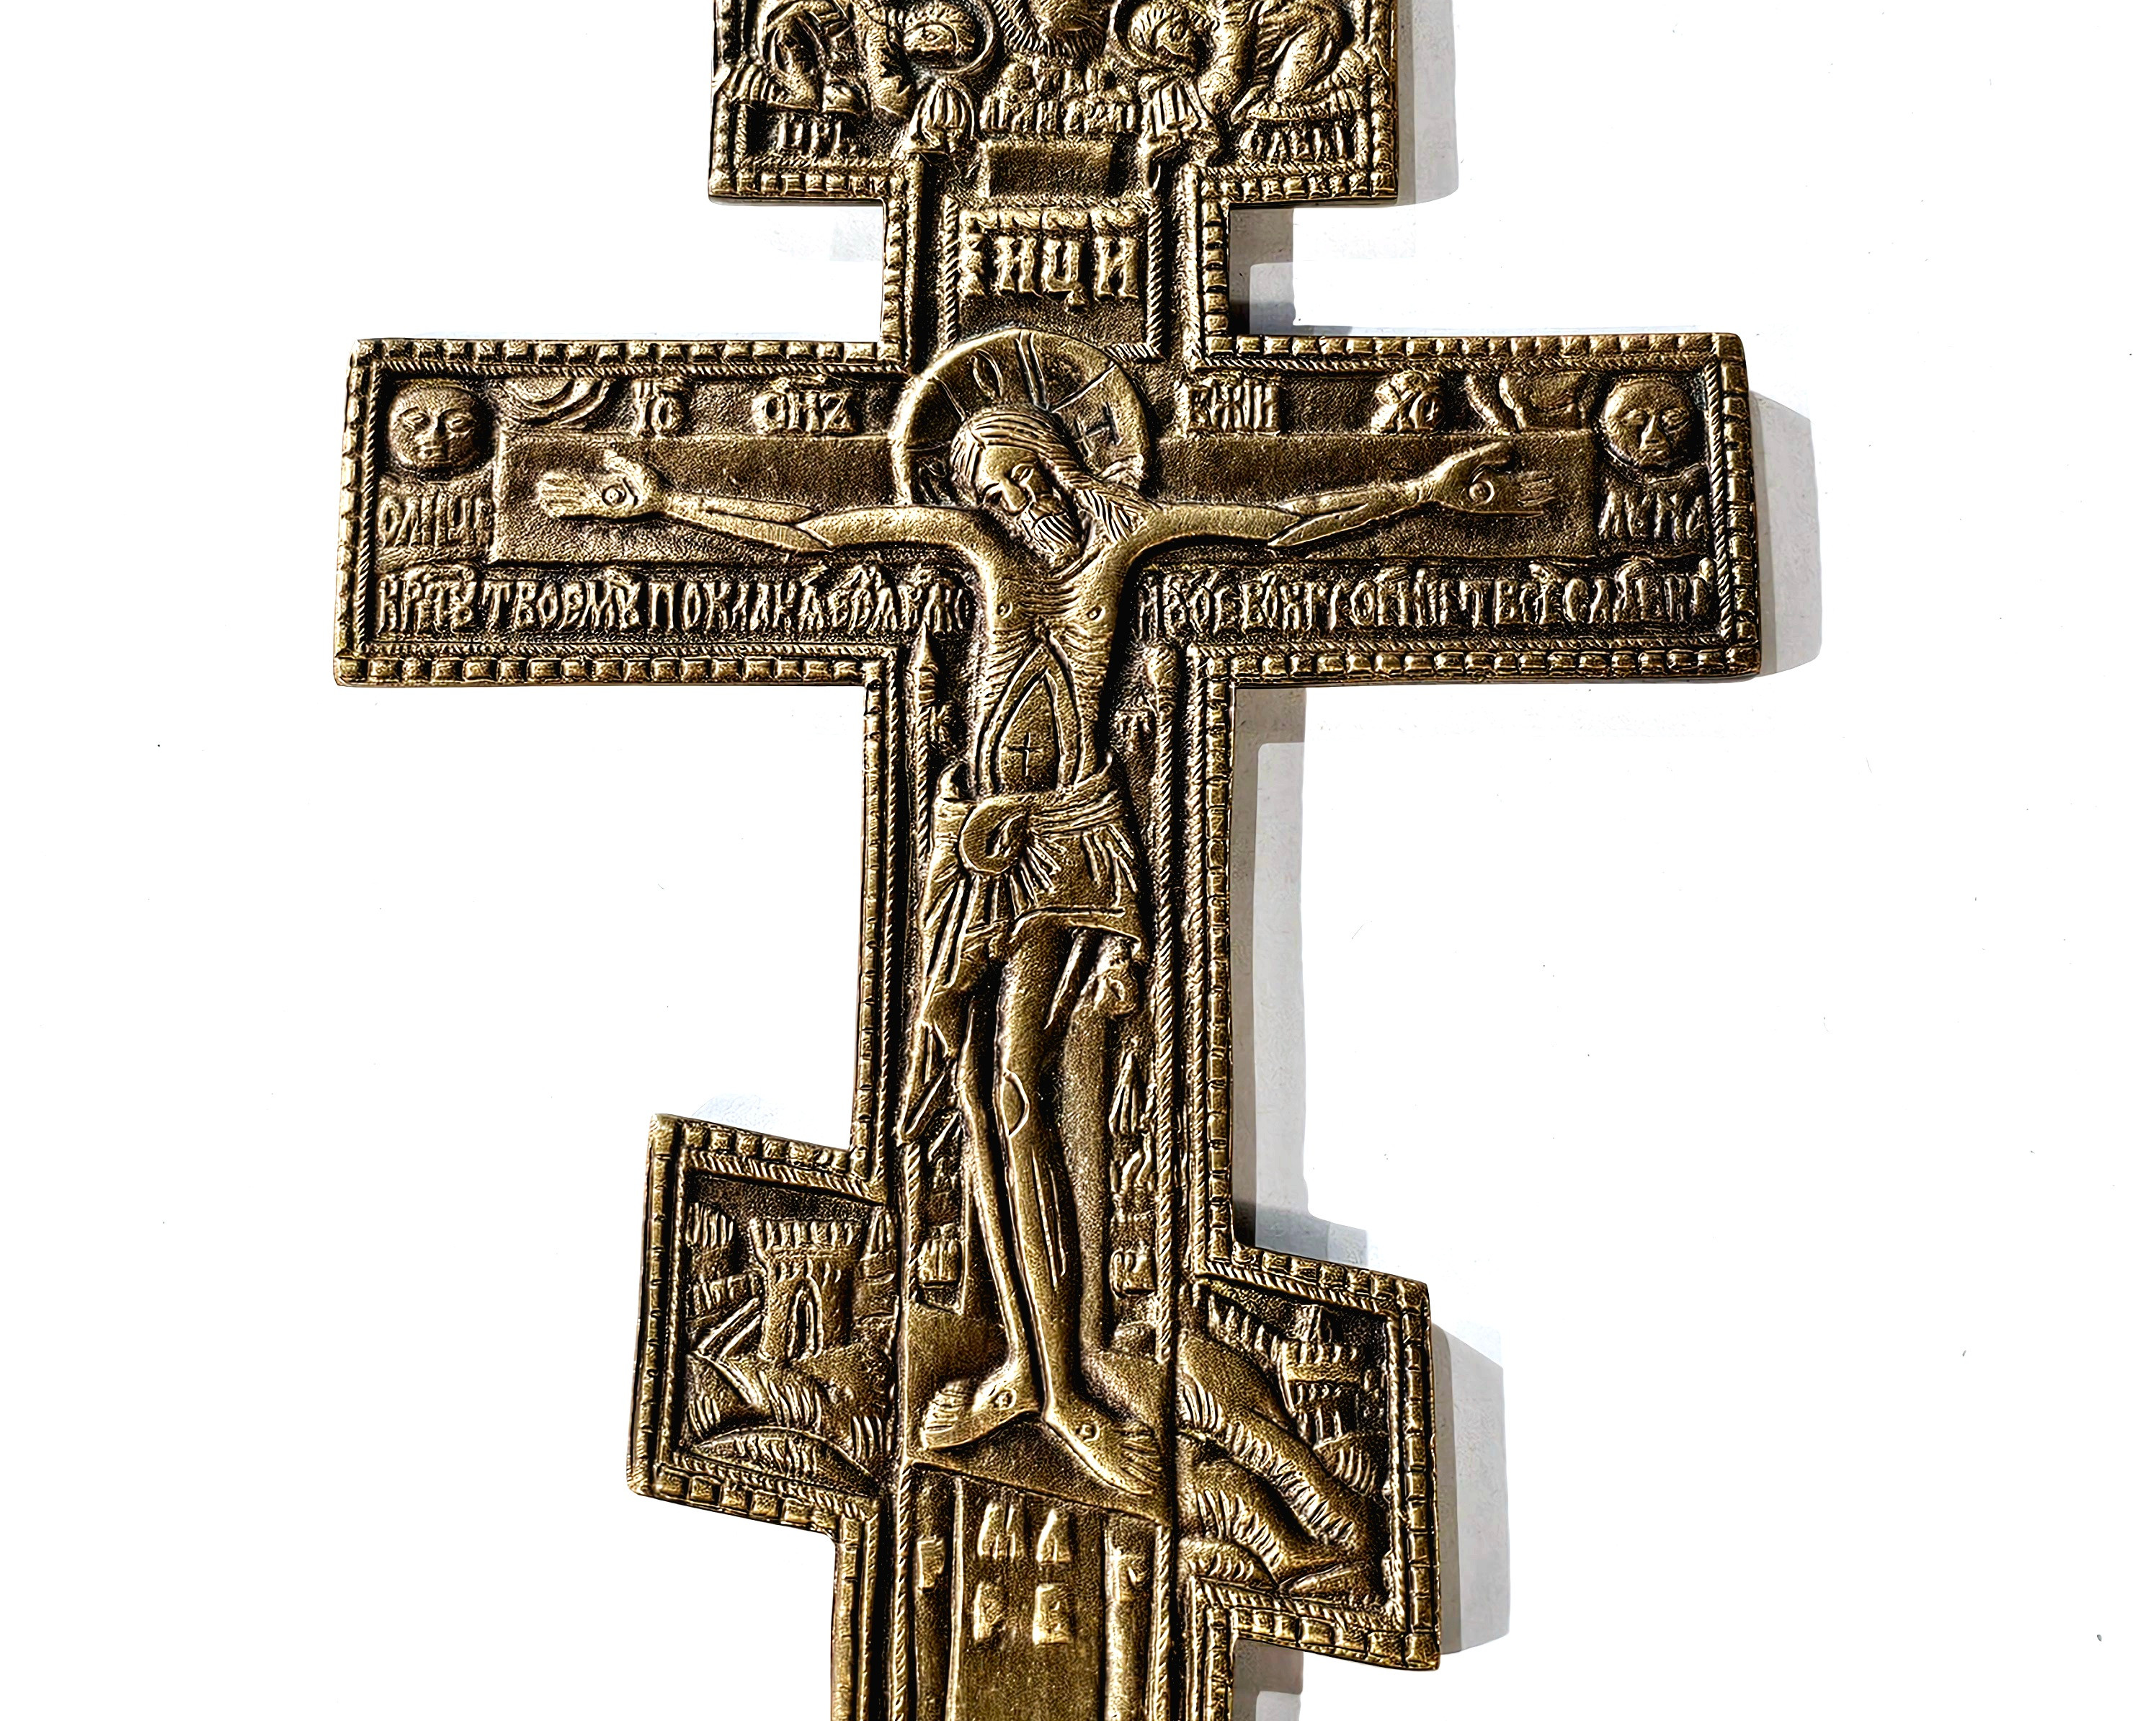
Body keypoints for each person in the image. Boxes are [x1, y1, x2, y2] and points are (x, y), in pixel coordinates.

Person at [539, 394, 1552, 1495]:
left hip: (1067, 844)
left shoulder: (1124, 535)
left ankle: (1059, 1383)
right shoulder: (979, 548)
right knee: (984, 1104)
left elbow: (1279, 520)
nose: (1013, 503)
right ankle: (1030, 1366)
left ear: (1055, 455)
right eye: (990, 492)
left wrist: (1419, 491)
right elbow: (819, 530)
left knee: (1025, 1099)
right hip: (980, 852)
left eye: (1019, 476)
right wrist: (666, 501)